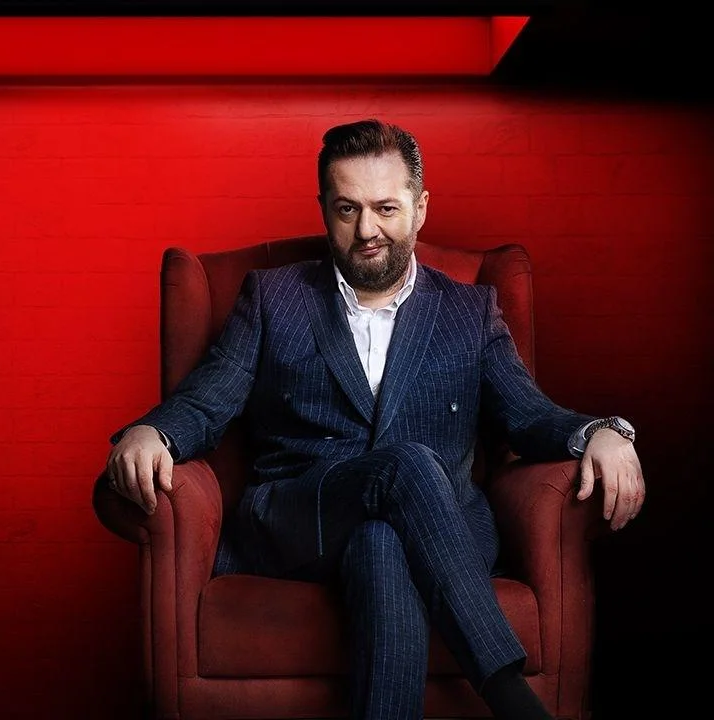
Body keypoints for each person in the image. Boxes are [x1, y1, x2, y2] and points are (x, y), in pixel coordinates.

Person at [103, 119, 645, 720]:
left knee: (380, 543)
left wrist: (602, 432)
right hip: (304, 518)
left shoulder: (469, 311)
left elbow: (530, 415)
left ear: (420, 208)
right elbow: (209, 397)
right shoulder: (272, 297)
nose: (367, 230)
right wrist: (154, 431)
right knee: (404, 464)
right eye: (347, 209)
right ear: (324, 208)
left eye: (386, 208)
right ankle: (512, 698)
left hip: (434, 531)